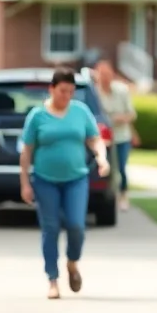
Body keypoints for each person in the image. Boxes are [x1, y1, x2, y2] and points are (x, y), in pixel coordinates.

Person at [19, 66, 111, 299]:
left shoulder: (81, 111)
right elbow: (26, 151)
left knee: (76, 225)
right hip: (45, 180)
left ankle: (72, 262)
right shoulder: (37, 116)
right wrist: (25, 183)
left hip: (76, 179)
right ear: (51, 89)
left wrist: (102, 158)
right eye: (62, 91)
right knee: (50, 228)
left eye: (71, 92)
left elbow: (95, 139)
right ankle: (53, 279)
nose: (67, 96)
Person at [93, 60, 138, 212]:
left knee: (121, 167)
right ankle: (108, 196)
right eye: (102, 74)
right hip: (102, 139)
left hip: (121, 137)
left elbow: (131, 114)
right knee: (105, 169)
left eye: (107, 74)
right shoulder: (94, 93)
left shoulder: (122, 91)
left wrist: (120, 119)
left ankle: (123, 194)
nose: (105, 78)